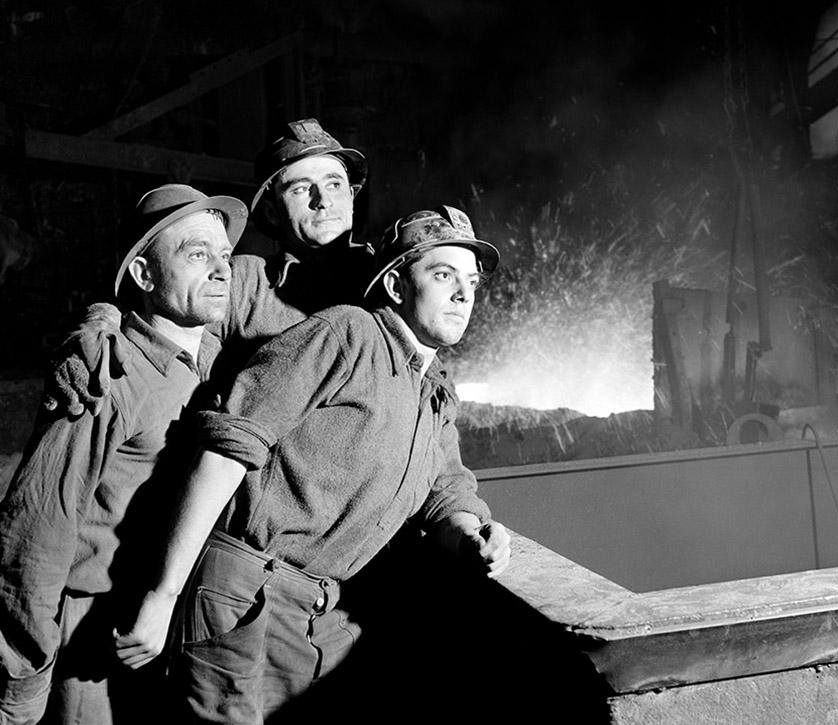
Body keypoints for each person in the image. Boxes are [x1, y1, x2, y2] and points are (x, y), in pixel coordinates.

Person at [114, 206, 512, 723]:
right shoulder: (345, 334)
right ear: (395, 284)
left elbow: (445, 489)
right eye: (442, 275)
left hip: (322, 607)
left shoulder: (434, 388)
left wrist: (473, 533)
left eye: (472, 282)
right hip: (244, 591)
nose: (463, 295)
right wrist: (163, 594)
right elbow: (229, 445)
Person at [0, 185, 248, 724]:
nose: (222, 270)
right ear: (144, 275)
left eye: (224, 255)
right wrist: (21, 683)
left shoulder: (213, 362)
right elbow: (38, 526)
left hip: (170, 621)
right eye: (197, 254)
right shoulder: (106, 375)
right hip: (94, 632)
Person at [45, 118, 372, 416]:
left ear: (352, 196)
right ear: (272, 213)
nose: (323, 201)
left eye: (334, 184)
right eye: (301, 189)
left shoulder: (391, 275)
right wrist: (97, 329)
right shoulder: (247, 282)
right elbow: (150, 301)